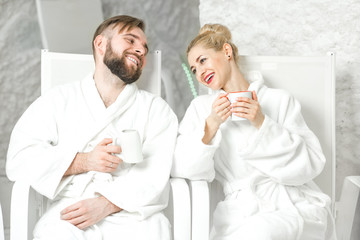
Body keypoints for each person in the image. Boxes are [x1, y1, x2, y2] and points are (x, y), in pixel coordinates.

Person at [7, 15, 178, 240]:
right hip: (71, 212)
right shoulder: (58, 100)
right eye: (130, 40)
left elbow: (155, 173)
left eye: (145, 49)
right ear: (100, 44)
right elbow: (19, 158)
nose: (140, 51)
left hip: (133, 214)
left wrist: (107, 204)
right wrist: (84, 161)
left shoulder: (156, 109)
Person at [171, 23, 335, 240]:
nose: (200, 73)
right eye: (194, 70)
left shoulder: (278, 100)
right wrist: (211, 126)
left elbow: (310, 165)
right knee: (259, 232)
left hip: (293, 205)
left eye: (203, 61)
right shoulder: (201, 109)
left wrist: (262, 123)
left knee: (266, 231)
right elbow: (181, 168)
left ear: (226, 52)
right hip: (241, 212)